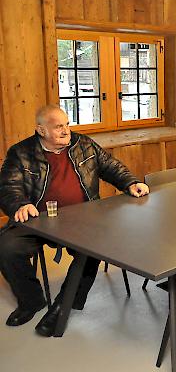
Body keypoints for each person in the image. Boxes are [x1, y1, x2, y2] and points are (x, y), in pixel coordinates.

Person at [0, 105, 149, 337]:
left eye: (67, 124)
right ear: (41, 130)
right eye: (58, 126)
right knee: (6, 247)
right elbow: (8, 187)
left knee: (91, 250)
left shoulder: (84, 144)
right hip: (38, 220)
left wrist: (130, 182)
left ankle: (62, 306)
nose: (66, 131)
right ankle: (31, 301)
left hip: (84, 218)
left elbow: (110, 166)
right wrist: (18, 205)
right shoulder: (20, 153)